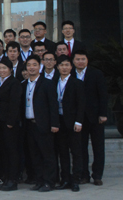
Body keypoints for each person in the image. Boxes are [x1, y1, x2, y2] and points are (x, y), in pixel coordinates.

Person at [21, 54, 59, 192]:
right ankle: (39, 181)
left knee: (47, 155)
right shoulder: (23, 84)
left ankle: (49, 182)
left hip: (43, 125)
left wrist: (54, 124)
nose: (31, 68)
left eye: (34, 65)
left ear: (40, 66)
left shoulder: (47, 83)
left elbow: (53, 105)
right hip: (29, 125)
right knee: (34, 155)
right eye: (29, 65)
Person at [73, 50, 108, 185]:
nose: (80, 62)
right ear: (73, 61)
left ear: (87, 60)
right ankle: (84, 175)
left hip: (95, 117)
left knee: (98, 147)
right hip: (79, 117)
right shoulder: (70, 74)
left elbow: (103, 94)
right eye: (78, 59)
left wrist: (103, 113)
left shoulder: (96, 74)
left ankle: (97, 175)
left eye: (83, 59)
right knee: (81, 148)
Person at [54, 55, 85, 192]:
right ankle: (65, 179)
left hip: (73, 122)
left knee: (76, 152)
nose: (64, 68)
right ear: (57, 67)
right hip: (59, 121)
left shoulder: (77, 83)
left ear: (71, 67)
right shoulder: (54, 82)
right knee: (62, 152)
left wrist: (79, 121)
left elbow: (81, 104)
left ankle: (76, 179)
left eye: (67, 65)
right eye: (62, 65)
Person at [0, 59, 21, 191]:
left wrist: (11, 121)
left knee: (12, 151)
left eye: (4, 68)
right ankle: (6, 177)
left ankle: (13, 179)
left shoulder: (14, 83)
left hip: (9, 122)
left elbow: (15, 103)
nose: (2, 70)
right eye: (0, 68)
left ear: (10, 69)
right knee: (3, 150)